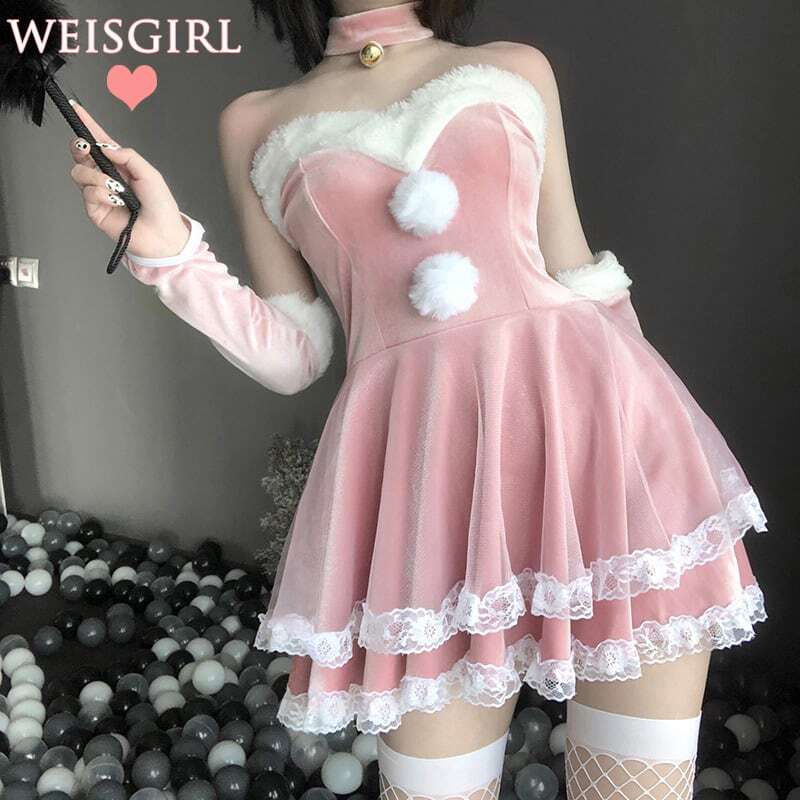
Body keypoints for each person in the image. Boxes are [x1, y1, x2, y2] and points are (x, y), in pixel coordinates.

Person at [66, 1, 768, 797]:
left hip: (601, 448)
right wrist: (170, 254)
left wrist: (649, 450)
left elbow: (578, 274)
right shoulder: (254, 121)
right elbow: (295, 355)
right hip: (425, 485)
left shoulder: (516, 67)